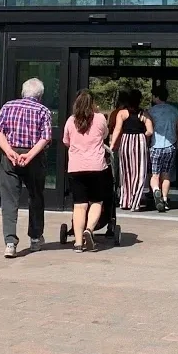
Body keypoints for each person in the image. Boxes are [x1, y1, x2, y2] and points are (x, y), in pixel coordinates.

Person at [0, 77, 53, 259]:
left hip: (10, 156)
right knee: (36, 196)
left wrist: (9, 151)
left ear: (22, 92)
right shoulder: (43, 110)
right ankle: (35, 239)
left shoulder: (8, 106)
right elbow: (46, 137)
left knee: (10, 200)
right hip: (33, 156)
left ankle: (10, 242)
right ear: (40, 96)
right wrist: (30, 154)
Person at [62, 89, 112, 251]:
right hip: (97, 167)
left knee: (79, 205)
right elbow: (105, 135)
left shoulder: (70, 121)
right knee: (96, 201)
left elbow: (66, 142)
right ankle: (89, 229)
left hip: (76, 168)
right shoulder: (99, 119)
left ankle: (77, 243)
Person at [108, 88, 153, 212]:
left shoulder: (122, 113)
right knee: (139, 173)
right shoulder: (144, 114)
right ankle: (135, 202)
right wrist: (144, 135)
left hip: (126, 141)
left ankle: (125, 201)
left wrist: (112, 146)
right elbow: (150, 131)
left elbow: (117, 130)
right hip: (140, 142)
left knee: (126, 172)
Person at [145, 85, 178, 212]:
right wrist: (176, 143)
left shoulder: (151, 111)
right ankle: (165, 199)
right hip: (170, 146)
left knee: (154, 175)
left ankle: (156, 191)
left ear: (156, 96)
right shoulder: (174, 111)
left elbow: (149, 130)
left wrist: (147, 144)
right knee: (166, 175)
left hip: (155, 146)